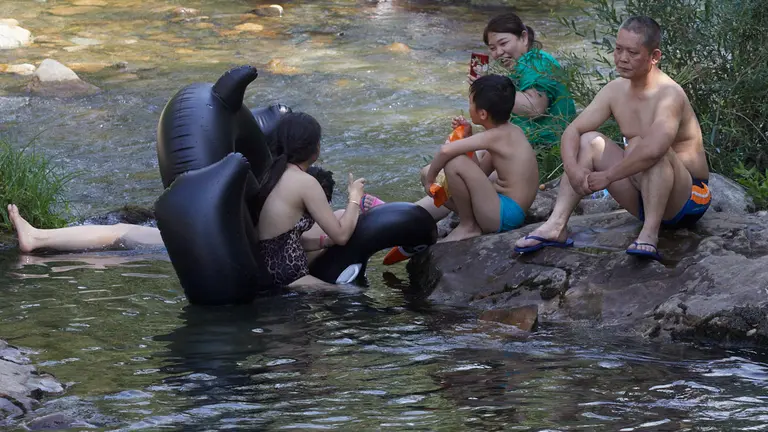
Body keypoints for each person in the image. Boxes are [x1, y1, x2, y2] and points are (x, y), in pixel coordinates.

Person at [7, 112, 368, 287]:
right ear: (315, 150)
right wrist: (354, 199)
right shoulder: (304, 183)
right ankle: (37, 238)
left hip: (231, 251)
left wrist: (315, 239)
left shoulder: (268, 172)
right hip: (279, 278)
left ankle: (39, 237)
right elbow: (340, 236)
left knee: (121, 236)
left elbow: (279, 233)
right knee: (348, 297)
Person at [514, 16, 711, 261]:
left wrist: (608, 176)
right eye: (618, 49)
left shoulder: (669, 94)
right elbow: (572, 131)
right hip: (642, 194)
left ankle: (649, 234)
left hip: (687, 197)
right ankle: (556, 225)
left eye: (632, 52)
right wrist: (573, 169)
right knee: (588, 141)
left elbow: (654, 149)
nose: (622, 58)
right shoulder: (615, 90)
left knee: (643, 145)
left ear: (654, 56)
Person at [420, 74, 538, 242]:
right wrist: (468, 134)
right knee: (428, 171)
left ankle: (468, 226)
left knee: (454, 161)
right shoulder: (510, 131)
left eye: (470, 103)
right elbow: (480, 172)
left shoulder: (496, 136)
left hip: (505, 214)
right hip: (503, 211)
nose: (468, 107)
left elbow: (446, 151)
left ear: (482, 113)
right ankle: (470, 222)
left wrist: (429, 182)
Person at [471, 12, 576, 148]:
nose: (498, 52)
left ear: (524, 38)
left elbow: (535, 107)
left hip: (550, 150)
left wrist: (491, 92)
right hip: (529, 145)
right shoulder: (520, 68)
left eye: (503, 43)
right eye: (493, 48)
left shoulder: (537, 63)